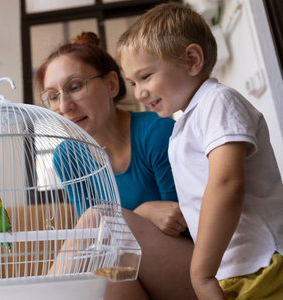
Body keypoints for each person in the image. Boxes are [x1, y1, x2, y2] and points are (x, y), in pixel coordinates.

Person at [116, 3, 283, 299]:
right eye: (132, 82)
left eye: (145, 76)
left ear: (192, 60)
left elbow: (227, 183)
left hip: (262, 266)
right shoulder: (185, 125)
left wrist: (201, 272)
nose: (138, 92)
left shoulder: (217, 102)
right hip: (234, 270)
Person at [34, 32, 196, 299]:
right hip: (135, 273)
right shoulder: (67, 157)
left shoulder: (157, 133)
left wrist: (127, 217)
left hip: (193, 269)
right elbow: (96, 245)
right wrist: (142, 214)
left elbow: (183, 223)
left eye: (75, 87)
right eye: (52, 96)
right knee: (102, 277)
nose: (64, 106)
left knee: (99, 218)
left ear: (111, 84)